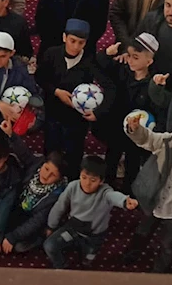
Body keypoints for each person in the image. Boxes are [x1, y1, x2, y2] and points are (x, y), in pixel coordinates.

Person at [123, 116, 172, 273]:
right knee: (142, 231)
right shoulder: (169, 142)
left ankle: (159, 271)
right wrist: (136, 130)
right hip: (155, 202)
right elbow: (149, 139)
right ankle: (132, 254)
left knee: (168, 245)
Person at [36, 19, 116, 178]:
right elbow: (40, 77)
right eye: (72, 41)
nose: (75, 46)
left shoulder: (90, 61)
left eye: (81, 43)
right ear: (64, 37)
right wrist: (56, 91)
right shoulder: (51, 54)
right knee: (51, 150)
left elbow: (110, 87)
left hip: (76, 120)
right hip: (53, 113)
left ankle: (71, 183)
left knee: (73, 155)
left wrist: (98, 112)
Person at [44, 156, 138, 269]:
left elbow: (113, 196)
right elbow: (59, 207)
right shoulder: (73, 186)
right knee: (49, 245)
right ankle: (62, 267)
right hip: (72, 230)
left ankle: (85, 261)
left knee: (88, 259)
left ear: (101, 181)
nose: (87, 183)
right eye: (84, 177)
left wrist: (124, 201)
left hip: (93, 237)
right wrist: (51, 226)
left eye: (93, 180)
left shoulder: (104, 192)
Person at [95, 34, 158, 188]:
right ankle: (106, 186)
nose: (130, 60)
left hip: (135, 131)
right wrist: (106, 54)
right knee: (111, 157)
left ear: (149, 61)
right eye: (129, 55)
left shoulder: (152, 84)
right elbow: (98, 65)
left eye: (135, 57)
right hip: (116, 125)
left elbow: (154, 109)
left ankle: (128, 190)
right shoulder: (122, 70)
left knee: (132, 162)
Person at [0, 120, 67, 254]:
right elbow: (24, 153)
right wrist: (11, 135)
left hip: (34, 221)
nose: (46, 175)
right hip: (19, 207)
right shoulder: (37, 164)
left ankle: (40, 239)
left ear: (58, 179)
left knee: (19, 246)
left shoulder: (55, 196)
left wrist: (13, 237)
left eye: (52, 175)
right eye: (46, 169)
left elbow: (36, 221)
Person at [0, 32, 39, 128]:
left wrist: (25, 108)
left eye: (3, 56)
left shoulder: (20, 68)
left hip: (10, 117)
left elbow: (32, 92)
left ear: (12, 53)